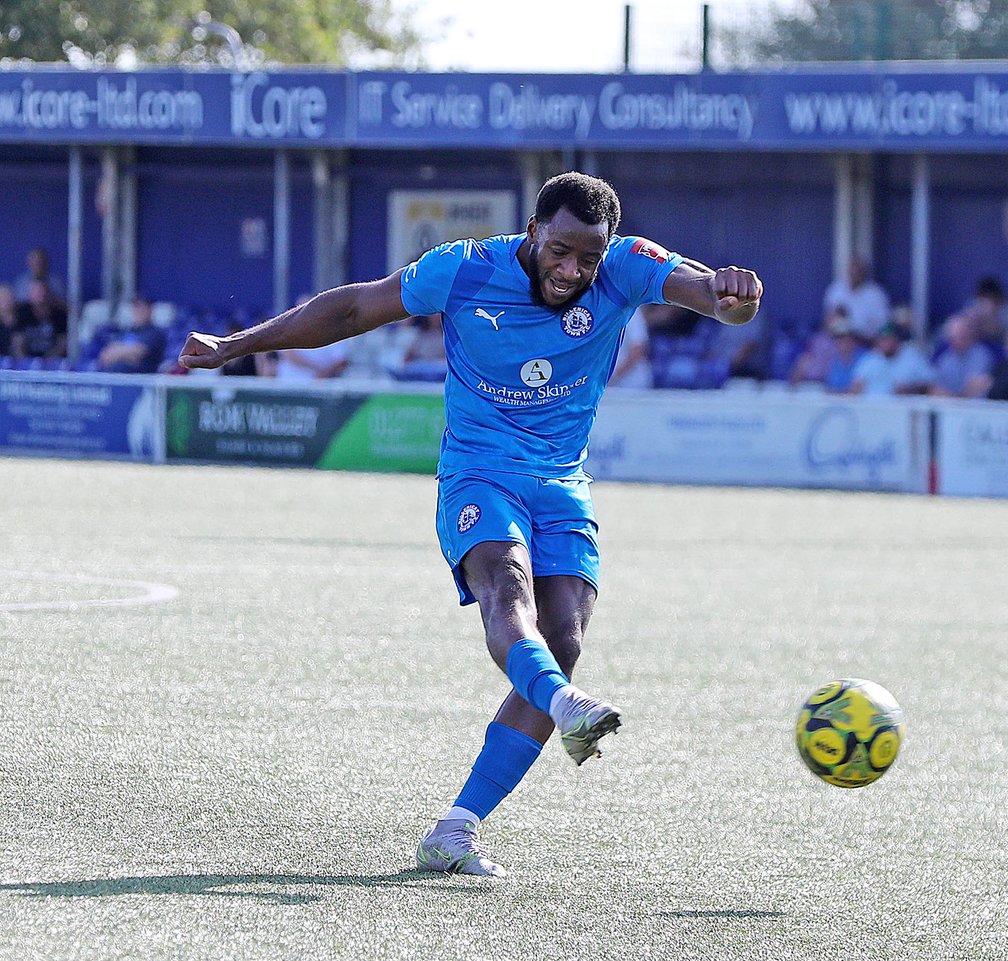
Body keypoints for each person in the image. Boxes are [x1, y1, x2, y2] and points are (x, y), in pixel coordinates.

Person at [177, 172, 762, 877]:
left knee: (566, 638)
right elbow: (353, 309)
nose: (574, 271)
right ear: (535, 228)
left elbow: (710, 295)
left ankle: (455, 828)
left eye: (589, 259)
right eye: (562, 251)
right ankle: (565, 704)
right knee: (506, 590)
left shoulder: (627, 264)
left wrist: (735, 297)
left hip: (562, 483)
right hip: (479, 472)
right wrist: (233, 347)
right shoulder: (464, 268)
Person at [275, 296, 351, 380]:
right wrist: (315, 369)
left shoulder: (333, 330)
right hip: (290, 386)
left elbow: (342, 360)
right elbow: (288, 354)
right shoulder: (289, 329)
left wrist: (324, 373)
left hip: (322, 388)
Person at [848, 322, 933, 396]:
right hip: (871, 409)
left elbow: (930, 386)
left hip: (903, 410)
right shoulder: (870, 360)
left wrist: (909, 390)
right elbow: (855, 388)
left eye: (889, 339)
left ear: (897, 340)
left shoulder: (912, 358)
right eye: (883, 340)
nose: (886, 343)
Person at [92, 297, 166, 374]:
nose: (138, 312)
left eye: (142, 308)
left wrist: (118, 354)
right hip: (114, 376)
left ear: (150, 310)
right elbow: (105, 356)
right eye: (136, 308)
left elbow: (138, 353)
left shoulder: (155, 333)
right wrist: (127, 355)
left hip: (140, 379)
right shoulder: (126, 331)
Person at [823, 255, 889, 339]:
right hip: (839, 340)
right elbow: (827, 320)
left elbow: (884, 325)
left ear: (864, 272)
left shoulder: (876, 294)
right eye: (852, 269)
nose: (855, 273)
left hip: (866, 342)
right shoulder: (836, 289)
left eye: (858, 270)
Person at [931, 314, 992, 398]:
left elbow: (976, 387)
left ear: (969, 335)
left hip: (978, 407)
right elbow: (937, 390)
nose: (957, 341)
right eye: (953, 337)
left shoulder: (981, 354)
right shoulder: (946, 359)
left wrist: (953, 397)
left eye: (961, 336)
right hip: (954, 407)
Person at [15, 279, 67, 361]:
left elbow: (63, 342)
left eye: (42, 292)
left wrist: (48, 359)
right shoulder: (23, 313)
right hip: (27, 362)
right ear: (30, 296)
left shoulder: (59, 314)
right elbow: (17, 341)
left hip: (53, 362)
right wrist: (24, 361)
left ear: (49, 294)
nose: (40, 296)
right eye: (36, 293)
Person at [961, 276, 1008, 342]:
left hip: (1006, 346)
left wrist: (995, 321)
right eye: (984, 298)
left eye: (991, 297)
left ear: (998, 296)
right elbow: (961, 325)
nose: (988, 302)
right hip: (979, 346)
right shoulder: (974, 305)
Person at [607, 304, 652, 388]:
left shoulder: (632, 312)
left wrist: (614, 375)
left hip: (631, 384)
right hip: (605, 384)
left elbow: (638, 349)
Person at [0, 284, 22, 359]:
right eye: (2, 299)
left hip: (21, 363)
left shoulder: (22, 321)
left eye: (8, 298)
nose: (6, 302)